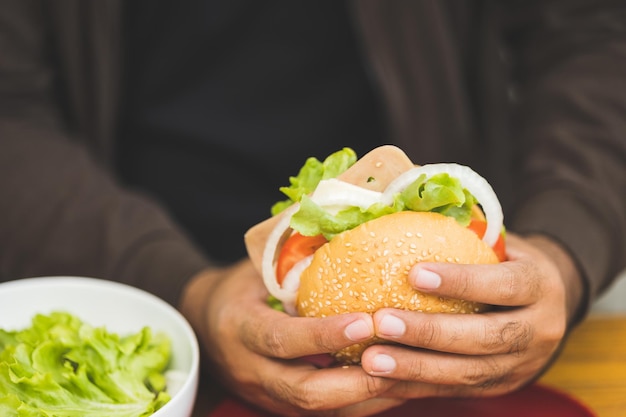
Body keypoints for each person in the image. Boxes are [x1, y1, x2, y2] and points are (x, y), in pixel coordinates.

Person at [1, 1, 625, 416]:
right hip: (131, 290)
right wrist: (178, 287)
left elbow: (595, 32)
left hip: (462, 335)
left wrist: (567, 246)